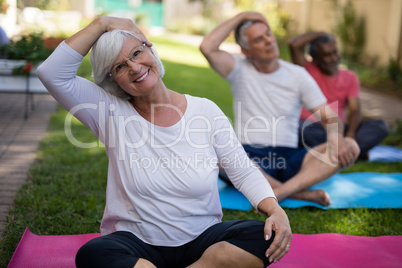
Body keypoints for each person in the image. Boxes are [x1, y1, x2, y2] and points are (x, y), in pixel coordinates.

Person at [37, 16, 292, 267]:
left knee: (263, 237)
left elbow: (242, 170)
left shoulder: (205, 111)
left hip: (203, 238)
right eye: (120, 67)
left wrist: (275, 210)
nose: (135, 68)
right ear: (112, 79)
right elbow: (52, 73)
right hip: (137, 243)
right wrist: (102, 23)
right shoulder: (108, 110)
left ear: (150, 49)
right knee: (93, 254)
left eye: (136, 54)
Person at [200, 11, 360, 207]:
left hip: (288, 160)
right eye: (258, 39)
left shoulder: (298, 74)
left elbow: (330, 117)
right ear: (246, 51)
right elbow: (207, 47)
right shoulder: (238, 68)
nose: (268, 41)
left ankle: (280, 192)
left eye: (268, 34)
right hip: (247, 158)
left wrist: (337, 142)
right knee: (213, 149)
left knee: (350, 144)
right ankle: (299, 194)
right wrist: (243, 16)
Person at [288, 32, 388, 160]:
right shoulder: (306, 70)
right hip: (314, 128)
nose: (334, 58)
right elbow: (294, 44)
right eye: (327, 55)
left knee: (379, 126)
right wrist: (322, 33)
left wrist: (350, 135)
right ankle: (352, 152)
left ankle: (341, 151)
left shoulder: (350, 77)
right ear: (315, 59)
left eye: (335, 52)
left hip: (340, 131)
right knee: (303, 131)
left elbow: (355, 109)